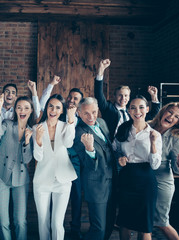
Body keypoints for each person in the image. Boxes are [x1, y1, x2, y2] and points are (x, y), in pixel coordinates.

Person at [39, 76, 84, 239]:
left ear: (80, 103)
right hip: (50, 164)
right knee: (46, 216)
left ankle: (75, 228)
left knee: (77, 196)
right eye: (70, 97)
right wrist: (51, 85)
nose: (71, 100)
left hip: (73, 164)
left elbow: (70, 141)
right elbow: (44, 103)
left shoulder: (79, 118)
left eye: (75, 98)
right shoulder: (57, 113)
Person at [113, 95, 162, 240]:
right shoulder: (123, 130)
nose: (137, 111)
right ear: (128, 110)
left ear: (147, 109)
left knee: (144, 225)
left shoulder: (155, 134)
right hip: (127, 177)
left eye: (141, 107)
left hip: (146, 180)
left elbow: (155, 165)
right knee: (125, 222)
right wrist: (119, 158)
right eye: (133, 107)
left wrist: (153, 143)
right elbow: (114, 150)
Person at [0, 95, 34, 240]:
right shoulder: (7, 123)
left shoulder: (32, 131)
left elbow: (27, 159)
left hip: (21, 179)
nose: (22, 110)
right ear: (15, 109)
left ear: (31, 111)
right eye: (19, 107)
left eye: (26, 107)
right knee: (3, 221)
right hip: (0, 176)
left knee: (20, 221)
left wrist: (26, 142)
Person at [32, 94, 77, 240]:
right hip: (42, 181)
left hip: (63, 181)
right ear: (46, 108)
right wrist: (38, 140)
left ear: (62, 110)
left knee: (57, 223)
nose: (53, 109)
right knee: (43, 222)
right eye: (51, 106)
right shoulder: (36, 128)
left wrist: (71, 121)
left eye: (58, 107)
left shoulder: (67, 126)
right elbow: (37, 157)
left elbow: (69, 144)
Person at [72, 97, 116, 240]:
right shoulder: (78, 133)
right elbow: (89, 166)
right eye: (86, 113)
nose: (91, 117)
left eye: (94, 112)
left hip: (112, 182)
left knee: (109, 224)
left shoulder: (102, 123)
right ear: (78, 113)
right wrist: (89, 149)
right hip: (96, 185)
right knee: (99, 228)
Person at [149, 102, 179, 240]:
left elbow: (176, 169)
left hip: (161, 183)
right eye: (170, 112)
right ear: (163, 111)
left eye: (176, 116)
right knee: (145, 221)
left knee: (162, 222)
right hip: (143, 180)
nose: (171, 117)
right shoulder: (147, 126)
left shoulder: (176, 137)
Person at [95, 59, 161, 139]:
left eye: (126, 95)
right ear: (114, 96)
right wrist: (101, 70)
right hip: (113, 145)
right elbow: (99, 94)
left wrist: (154, 96)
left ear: (129, 97)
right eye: (120, 95)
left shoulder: (132, 112)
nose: (123, 98)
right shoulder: (108, 108)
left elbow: (153, 114)